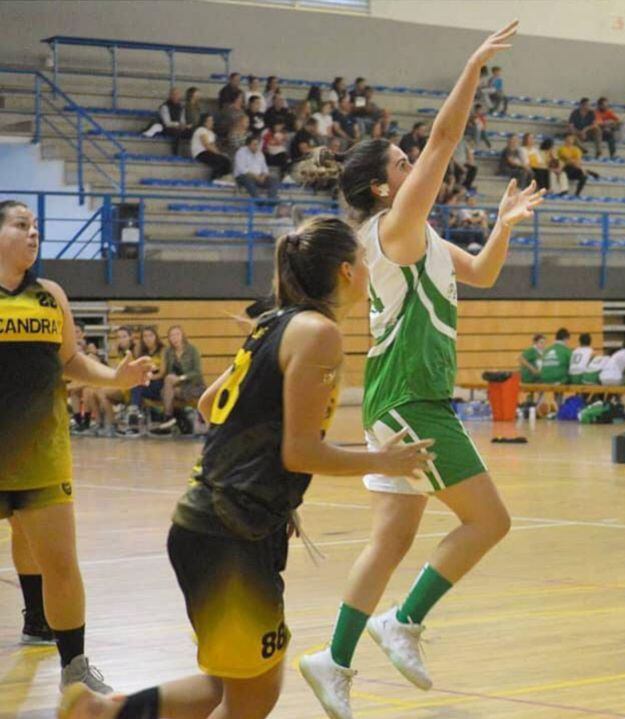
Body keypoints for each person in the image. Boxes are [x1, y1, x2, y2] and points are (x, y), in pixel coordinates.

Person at [58, 218, 433, 719]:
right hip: (230, 530)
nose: (369, 267)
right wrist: (383, 460)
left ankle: (101, 712)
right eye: (364, 259)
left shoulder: (274, 323)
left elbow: (213, 406)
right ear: (346, 271)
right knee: (254, 695)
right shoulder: (318, 333)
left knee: (229, 684)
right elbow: (299, 452)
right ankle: (100, 714)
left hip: (213, 524)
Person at [291, 23, 547, 717]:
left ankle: (332, 660)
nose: (416, 166)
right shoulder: (391, 230)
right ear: (382, 186)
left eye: (410, 161)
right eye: (401, 164)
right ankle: (402, 619)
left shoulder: (421, 235)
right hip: (411, 397)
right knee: (489, 521)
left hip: (397, 395)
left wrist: (502, 223)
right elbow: (444, 141)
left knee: (392, 537)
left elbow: (485, 274)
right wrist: (471, 68)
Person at [1, 201, 153, 695]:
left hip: (43, 456)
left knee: (62, 565)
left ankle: (75, 668)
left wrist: (117, 377)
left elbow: (71, 360)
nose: (33, 233)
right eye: (21, 224)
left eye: (35, 226)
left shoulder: (50, 296)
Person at [160, 325, 206, 430]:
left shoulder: (192, 350)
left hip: (194, 385)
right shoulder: (168, 352)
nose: (174, 338)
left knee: (166, 392)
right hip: (175, 386)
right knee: (167, 384)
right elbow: (166, 371)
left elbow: (197, 372)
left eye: (177, 334)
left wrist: (181, 378)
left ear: (182, 336)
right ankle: (170, 417)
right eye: (171, 335)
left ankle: (168, 417)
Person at [141, 87, 189, 155]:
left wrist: (184, 125)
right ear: (170, 96)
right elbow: (167, 123)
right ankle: (175, 153)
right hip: (166, 128)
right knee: (177, 132)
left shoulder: (181, 107)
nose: (176, 96)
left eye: (177, 94)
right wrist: (178, 125)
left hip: (178, 127)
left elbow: (182, 120)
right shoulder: (165, 106)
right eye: (174, 94)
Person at [234, 134, 280, 202]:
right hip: (243, 177)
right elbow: (242, 170)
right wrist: (256, 176)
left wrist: (263, 176)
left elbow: (265, 169)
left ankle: (271, 200)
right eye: (254, 144)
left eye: (257, 144)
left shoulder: (260, 153)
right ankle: (258, 200)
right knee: (247, 178)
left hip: (258, 177)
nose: (257, 146)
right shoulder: (240, 152)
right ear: (248, 145)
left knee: (274, 178)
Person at [191, 113, 232, 185]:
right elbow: (206, 145)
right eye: (209, 120)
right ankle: (214, 178)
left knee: (226, 160)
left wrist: (220, 154)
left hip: (209, 152)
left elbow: (213, 146)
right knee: (219, 161)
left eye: (212, 120)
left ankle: (223, 178)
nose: (212, 122)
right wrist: (219, 154)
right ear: (204, 122)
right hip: (201, 152)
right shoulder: (201, 130)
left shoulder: (212, 133)